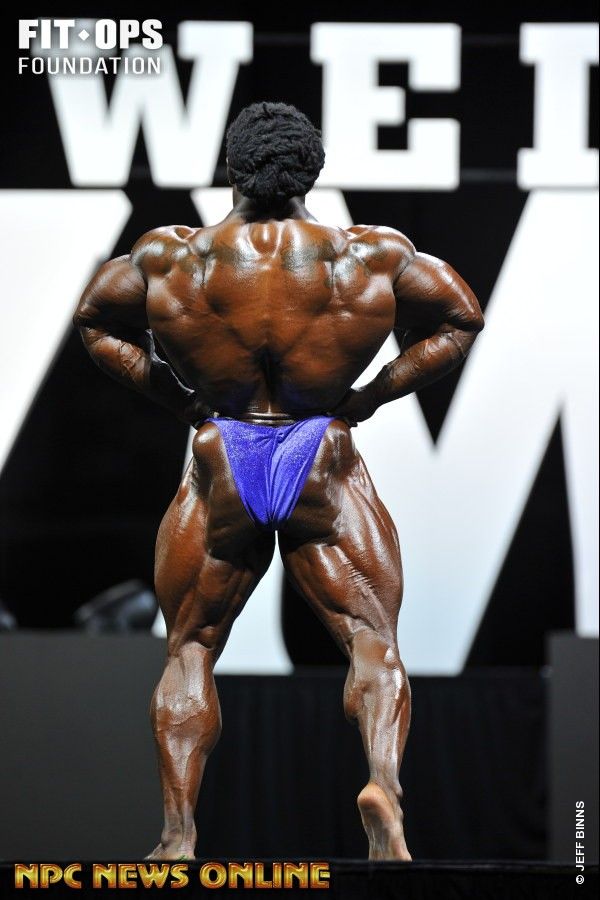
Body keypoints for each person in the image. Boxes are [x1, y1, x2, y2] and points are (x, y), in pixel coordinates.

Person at [74, 101, 484, 861]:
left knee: (191, 648)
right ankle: (384, 789)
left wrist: (177, 398)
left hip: (222, 453)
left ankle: (177, 836)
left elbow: (95, 321)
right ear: (312, 173)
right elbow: (461, 318)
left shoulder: (173, 258)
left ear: (231, 168)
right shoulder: (369, 256)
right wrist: (370, 396)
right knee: (371, 639)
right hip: (319, 450)